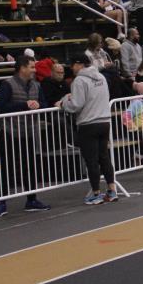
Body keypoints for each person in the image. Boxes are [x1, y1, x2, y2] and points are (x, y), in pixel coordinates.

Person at [0, 55, 52, 218]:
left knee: (30, 167)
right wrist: (24, 105)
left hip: (29, 132)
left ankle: (31, 199)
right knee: (6, 168)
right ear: (22, 68)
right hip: (9, 132)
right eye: (32, 67)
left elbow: (44, 104)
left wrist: (39, 105)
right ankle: (1, 202)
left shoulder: (36, 85)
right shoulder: (7, 84)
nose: (34, 70)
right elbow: (2, 108)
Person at [58, 53, 117, 204]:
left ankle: (96, 194)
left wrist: (64, 103)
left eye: (73, 65)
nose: (71, 68)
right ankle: (112, 190)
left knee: (92, 160)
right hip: (104, 121)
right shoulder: (101, 77)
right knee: (104, 157)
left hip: (88, 123)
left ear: (79, 64)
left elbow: (76, 105)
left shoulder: (79, 80)